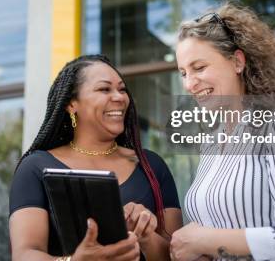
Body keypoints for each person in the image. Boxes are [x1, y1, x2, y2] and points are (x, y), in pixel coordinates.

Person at [170, 1, 275, 261]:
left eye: (199, 68)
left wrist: (203, 240)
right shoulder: (212, 142)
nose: (189, 83)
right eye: (183, 73)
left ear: (237, 62)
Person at [10, 55, 183, 261]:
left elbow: (176, 256)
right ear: (72, 104)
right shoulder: (36, 167)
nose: (119, 97)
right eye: (104, 89)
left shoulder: (151, 166)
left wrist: (145, 235)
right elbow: (24, 254)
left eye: (122, 89)